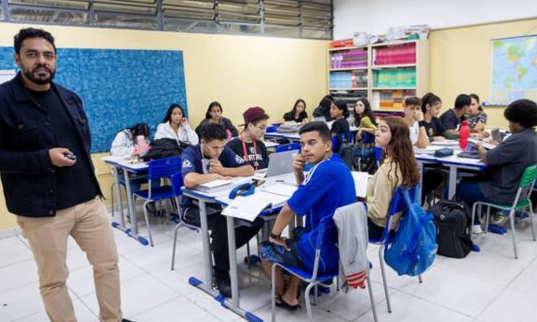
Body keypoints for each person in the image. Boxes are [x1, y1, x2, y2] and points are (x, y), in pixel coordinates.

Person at [0, 28, 148, 322]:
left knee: (107, 264)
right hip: (41, 210)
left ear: (55, 59)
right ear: (17, 58)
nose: (41, 61)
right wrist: (42, 158)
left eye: (48, 55)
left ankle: (112, 320)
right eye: (32, 54)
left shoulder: (69, 97)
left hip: (88, 200)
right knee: (54, 279)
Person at [260, 122, 356, 310]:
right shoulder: (335, 164)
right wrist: (297, 171)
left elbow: (289, 208)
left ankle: (283, 295)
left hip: (325, 255)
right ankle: (291, 292)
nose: (305, 149)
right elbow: (307, 192)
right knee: (298, 234)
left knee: (266, 248)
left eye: (312, 143)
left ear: (327, 145)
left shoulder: (324, 170)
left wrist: (273, 237)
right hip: (341, 247)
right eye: (302, 144)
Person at [180, 123, 261, 297]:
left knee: (256, 218)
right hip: (194, 208)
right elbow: (189, 180)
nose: (218, 151)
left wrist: (225, 170)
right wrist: (216, 176)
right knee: (223, 225)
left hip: (220, 205)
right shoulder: (190, 152)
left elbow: (248, 169)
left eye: (222, 146)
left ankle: (219, 247)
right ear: (203, 142)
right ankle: (221, 275)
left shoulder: (224, 151)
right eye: (214, 147)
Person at [456, 99, 537, 232]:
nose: (509, 125)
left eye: (510, 122)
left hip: (504, 192)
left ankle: (471, 225)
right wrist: (500, 147)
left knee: (457, 188)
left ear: (518, 122)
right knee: (473, 180)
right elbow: (512, 153)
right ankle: (476, 221)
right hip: (520, 192)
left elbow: (487, 158)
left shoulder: (519, 139)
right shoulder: (535, 138)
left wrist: (479, 146)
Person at [367, 117, 420, 239]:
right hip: (395, 224)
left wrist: (360, 206)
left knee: (337, 219)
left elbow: (378, 212)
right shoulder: (405, 163)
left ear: (395, 138)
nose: (376, 133)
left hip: (378, 227)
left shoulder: (386, 171)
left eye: (383, 130)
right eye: (378, 129)